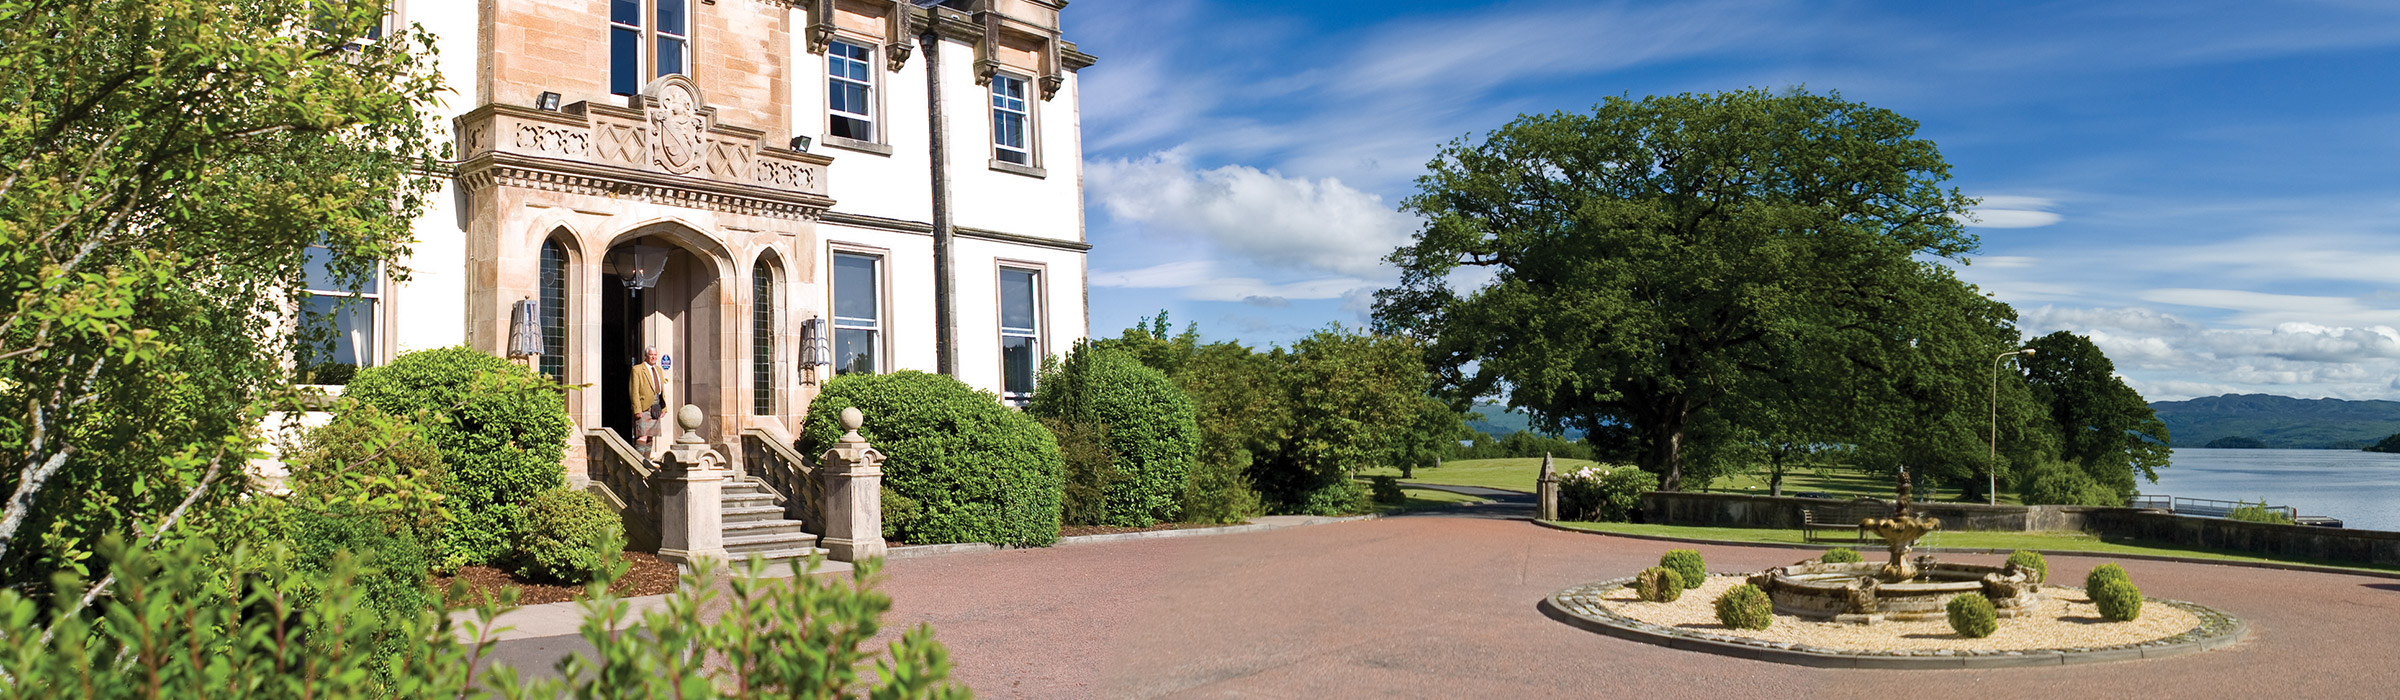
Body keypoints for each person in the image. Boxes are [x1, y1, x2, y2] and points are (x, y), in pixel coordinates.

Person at [630, 345, 668, 452]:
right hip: (644, 408)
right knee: (643, 436)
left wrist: (664, 408)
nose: (653, 357)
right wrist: (637, 409)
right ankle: (637, 463)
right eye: (651, 355)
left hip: (656, 407)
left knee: (651, 436)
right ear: (646, 356)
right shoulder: (637, 369)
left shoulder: (659, 370)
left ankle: (646, 463)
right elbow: (634, 391)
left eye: (655, 355)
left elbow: (662, 391)